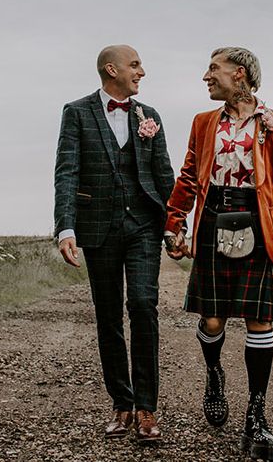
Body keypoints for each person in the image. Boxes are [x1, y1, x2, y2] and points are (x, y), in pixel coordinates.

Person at [165, 46, 273, 462]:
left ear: (241, 73)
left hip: (259, 222)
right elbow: (189, 176)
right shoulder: (203, 122)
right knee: (212, 319)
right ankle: (214, 374)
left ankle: (256, 414)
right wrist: (174, 221)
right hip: (214, 217)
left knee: (259, 318)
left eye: (214, 69)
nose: (206, 76)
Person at [54, 44, 175, 443]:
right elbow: (67, 171)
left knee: (143, 306)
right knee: (108, 317)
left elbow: (164, 174)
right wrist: (66, 228)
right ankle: (121, 405)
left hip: (143, 225)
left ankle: (147, 410)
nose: (142, 71)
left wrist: (175, 225)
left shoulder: (150, 117)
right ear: (112, 69)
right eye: (135, 64)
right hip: (98, 229)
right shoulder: (77, 112)